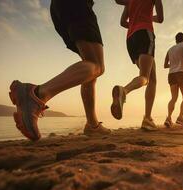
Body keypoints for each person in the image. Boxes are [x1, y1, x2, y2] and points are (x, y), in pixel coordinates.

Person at [9, 0, 111, 141]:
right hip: (78, 5)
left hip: (59, 7)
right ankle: (37, 94)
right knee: (97, 66)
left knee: (89, 67)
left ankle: (92, 125)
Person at [112, 0, 164, 131]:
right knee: (145, 78)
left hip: (131, 38)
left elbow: (123, 22)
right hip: (145, 33)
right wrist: (147, 18)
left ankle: (147, 118)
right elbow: (161, 18)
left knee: (152, 78)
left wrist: (135, 21)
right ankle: (124, 91)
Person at [164, 32, 183, 127]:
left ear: (176, 40)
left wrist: (173, 64)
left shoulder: (169, 50)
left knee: (173, 98)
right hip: (181, 73)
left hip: (171, 74)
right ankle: (180, 117)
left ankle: (168, 118)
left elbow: (165, 65)